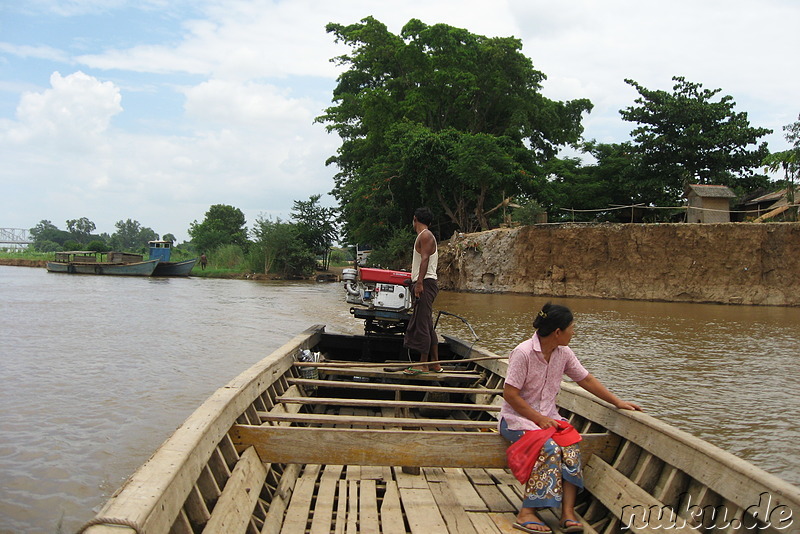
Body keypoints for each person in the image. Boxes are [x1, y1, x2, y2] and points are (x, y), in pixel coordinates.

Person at [500, 302, 642, 534]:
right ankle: (527, 511)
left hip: (549, 419)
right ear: (558, 332)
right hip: (517, 420)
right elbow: (510, 395)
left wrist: (618, 402)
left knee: (571, 446)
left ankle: (567, 512)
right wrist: (538, 419)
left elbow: (585, 380)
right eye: (572, 328)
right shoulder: (523, 352)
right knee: (549, 448)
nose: (574, 332)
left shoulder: (563, 353)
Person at [403, 207, 440, 375]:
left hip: (425, 283)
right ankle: (435, 363)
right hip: (425, 282)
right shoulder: (425, 235)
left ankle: (423, 364)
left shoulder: (425, 235)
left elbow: (425, 259)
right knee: (428, 324)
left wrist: (418, 283)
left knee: (422, 324)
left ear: (415, 218)